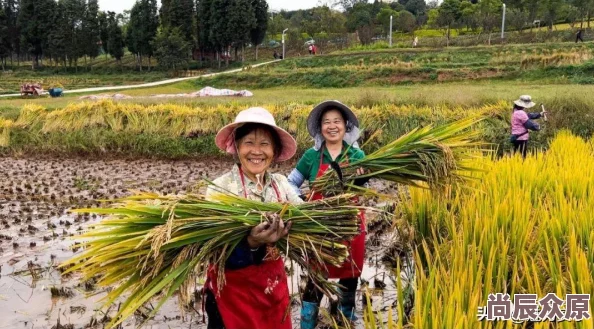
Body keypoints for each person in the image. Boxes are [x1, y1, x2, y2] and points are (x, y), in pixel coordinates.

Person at [205, 107, 303, 329]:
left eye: (264, 144)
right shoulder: (220, 189)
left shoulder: (281, 184)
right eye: (249, 143)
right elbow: (213, 249)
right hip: (231, 296)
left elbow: (304, 213)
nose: (256, 151)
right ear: (237, 147)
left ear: (275, 150)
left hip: (272, 291)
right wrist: (251, 243)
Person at [287, 100, 367, 329]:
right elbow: (291, 182)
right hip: (319, 228)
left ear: (346, 126)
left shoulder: (357, 154)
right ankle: (307, 322)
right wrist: (301, 202)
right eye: (326, 122)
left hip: (350, 227)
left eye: (337, 122)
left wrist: (361, 179)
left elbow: (364, 186)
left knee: (350, 277)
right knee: (315, 278)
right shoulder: (311, 156)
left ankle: (344, 320)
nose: (332, 126)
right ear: (320, 128)